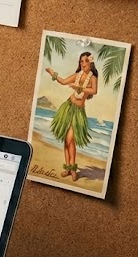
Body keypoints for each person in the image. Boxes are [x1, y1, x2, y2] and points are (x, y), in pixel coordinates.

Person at [45, 52, 99, 182]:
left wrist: (79, 87)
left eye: (85, 61)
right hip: (68, 107)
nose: (82, 63)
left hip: (78, 111)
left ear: (90, 63)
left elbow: (94, 91)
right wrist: (52, 73)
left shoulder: (92, 78)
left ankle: (73, 169)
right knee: (66, 140)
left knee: (71, 140)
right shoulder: (77, 75)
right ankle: (69, 168)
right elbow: (63, 81)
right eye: (80, 61)